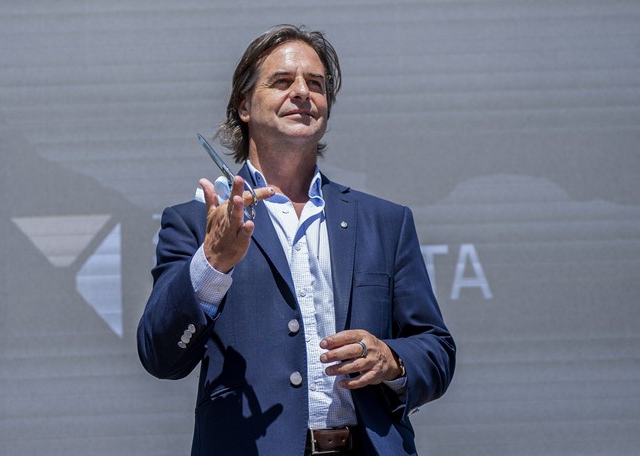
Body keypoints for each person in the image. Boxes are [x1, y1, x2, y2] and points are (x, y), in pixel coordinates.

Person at [137, 24, 455, 456]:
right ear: (244, 105)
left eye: (316, 84)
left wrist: (392, 361)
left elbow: (435, 349)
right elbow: (161, 356)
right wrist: (212, 263)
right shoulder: (197, 224)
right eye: (282, 82)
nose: (303, 93)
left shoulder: (386, 221)